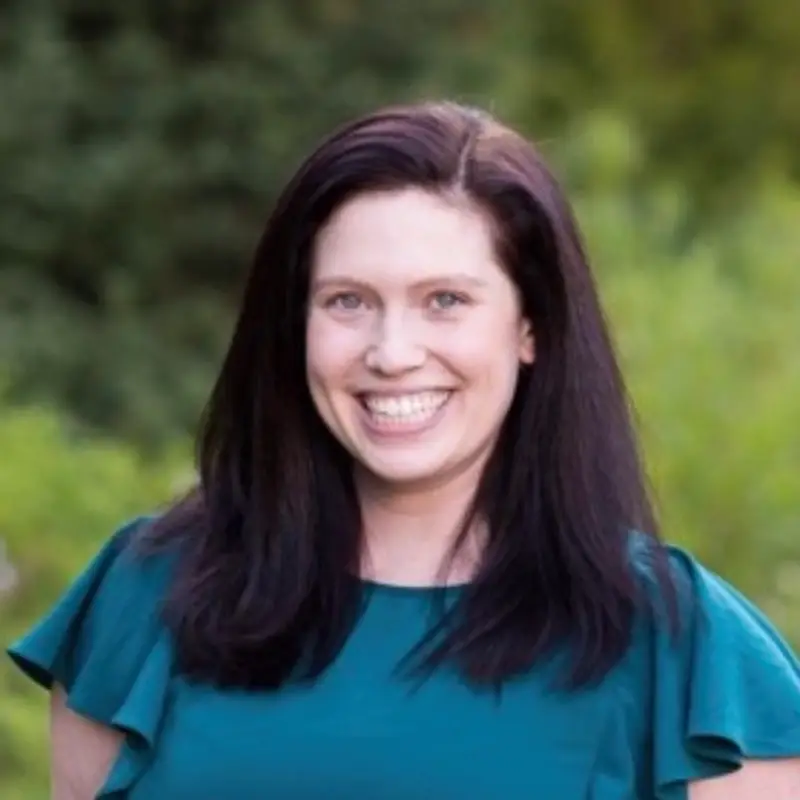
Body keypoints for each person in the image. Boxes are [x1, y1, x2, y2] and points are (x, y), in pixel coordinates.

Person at [7, 101, 800, 799]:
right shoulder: (146, 596)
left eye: (444, 300)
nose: (391, 353)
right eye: (347, 301)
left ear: (531, 326)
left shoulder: (685, 651)